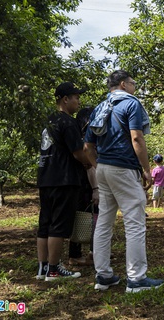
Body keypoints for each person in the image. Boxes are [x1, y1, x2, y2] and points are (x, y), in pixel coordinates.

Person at [84, 70, 164, 292]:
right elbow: (136, 137)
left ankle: (103, 275)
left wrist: (99, 166)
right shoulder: (131, 104)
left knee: (104, 221)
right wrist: (146, 170)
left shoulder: (100, 108)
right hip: (123, 168)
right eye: (133, 83)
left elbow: (87, 147)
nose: (135, 87)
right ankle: (137, 279)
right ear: (123, 84)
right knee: (135, 221)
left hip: (103, 169)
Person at [36, 82, 89, 281]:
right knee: (58, 225)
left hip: (46, 178)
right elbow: (78, 153)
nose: (78, 101)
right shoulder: (68, 122)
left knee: (45, 224)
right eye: (76, 97)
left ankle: (43, 268)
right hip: (64, 179)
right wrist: (90, 163)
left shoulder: (48, 121)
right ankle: (54, 269)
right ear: (65, 99)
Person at [68, 106, 98, 266]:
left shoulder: (79, 137)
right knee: (86, 217)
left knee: (89, 217)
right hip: (84, 185)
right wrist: (96, 189)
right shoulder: (84, 140)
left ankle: (93, 252)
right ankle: (76, 254)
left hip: (82, 184)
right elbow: (89, 166)